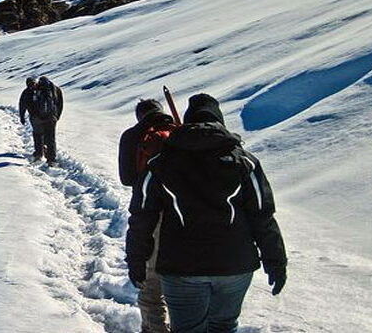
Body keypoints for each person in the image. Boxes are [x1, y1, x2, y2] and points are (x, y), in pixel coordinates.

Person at [125, 94, 287, 333]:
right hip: (235, 265)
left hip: (181, 266)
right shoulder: (245, 162)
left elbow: (142, 217)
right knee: (223, 326)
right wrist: (276, 261)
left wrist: (136, 258)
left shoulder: (160, 163)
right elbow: (262, 215)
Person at [118, 99, 175, 333]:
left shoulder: (133, 135)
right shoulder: (181, 132)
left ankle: (154, 328)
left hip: (149, 212)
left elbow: (127, 178)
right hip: (187, 213)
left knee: (151, 282)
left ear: (139, 116)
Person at [18, 76, 64, 166]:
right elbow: (60, 103)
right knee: (51, 138)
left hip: (36, 118)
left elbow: (22, 104)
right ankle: (51, 159)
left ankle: (38, 155)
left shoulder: (27, 92)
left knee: (38, 135)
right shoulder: (54, 89)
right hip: (51, 117)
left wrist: (22, 116)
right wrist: (57, 116)